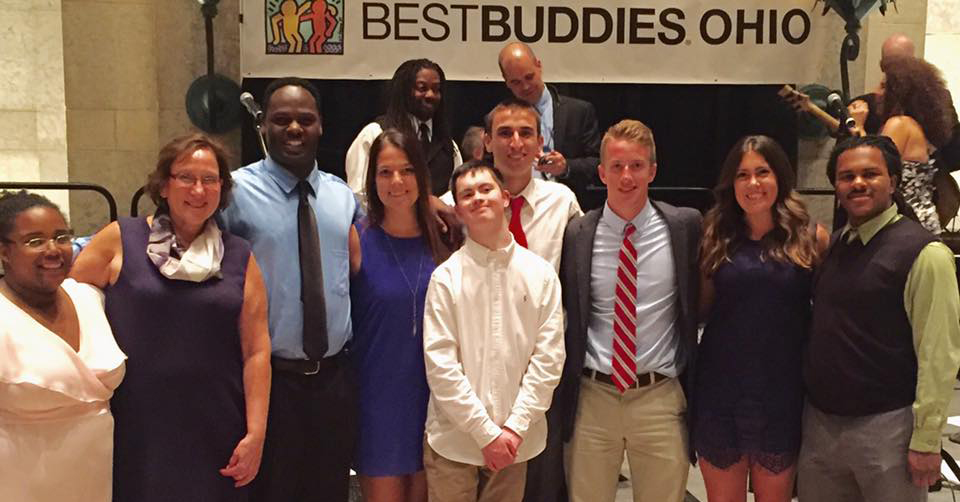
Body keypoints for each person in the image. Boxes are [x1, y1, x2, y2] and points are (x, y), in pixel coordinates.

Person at [69, 133, 271, 501]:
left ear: (222, 189)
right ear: (163, 185)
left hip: (216, 426)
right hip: (135, 425)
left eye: (210, 179)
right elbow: (68, 309)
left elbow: (256, 350)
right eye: (186, 177)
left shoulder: (240, 255)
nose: (198, 189)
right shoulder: (120, 239)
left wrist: (255, 434)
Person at [218, 77, 362, 502]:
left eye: (305, 119)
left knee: (330, 491)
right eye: (281, 120)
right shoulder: (234, 193)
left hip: (335, 379)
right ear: (263, 128)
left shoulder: (341, 196)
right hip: (269, 383)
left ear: (321, 127)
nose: (294, 128)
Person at [799, 135, 960, 502]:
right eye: (846, 176)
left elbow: (940, 355)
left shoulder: (925, 254)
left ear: (894, 181)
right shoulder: (838, 244)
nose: (858, 183)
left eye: (870, 174)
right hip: (822, 428)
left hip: (888, 430)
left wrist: (926, 440)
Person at [557, 119, 701, 502]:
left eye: (636, 165)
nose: (626, 176)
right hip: (593, 396)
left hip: (660, 397)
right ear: (601, 172)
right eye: (617, 166)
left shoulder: (684, 227)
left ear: (652, 170)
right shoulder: (577, 233)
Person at [694, 136, 829, 502]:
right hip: (720, 391)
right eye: (743, 175)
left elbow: (827, 317)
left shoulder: (810, 237)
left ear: (780, 176)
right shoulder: (714, 235)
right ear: (731, 183)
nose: (753, 184)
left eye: (762, 172)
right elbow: (702, 311)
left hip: (781, 392)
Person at [422, 159, 565, 502]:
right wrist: (486, 434)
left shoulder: (541, 274)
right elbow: (441, 368)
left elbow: (548, 361)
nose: (478, 198)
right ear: (457, 209)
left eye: (486, 189)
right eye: (467, 194)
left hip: (516, 441)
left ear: (503, 197)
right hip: (454, 442)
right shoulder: (446, 278)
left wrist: (512, 430)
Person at [0, 191, 126, 502]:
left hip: (96, 480)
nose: (53, 250)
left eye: (61, 237)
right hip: (20, 483)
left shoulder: (89, 297)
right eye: (34, 241)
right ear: (3, 251)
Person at [351, 129, 451, 502]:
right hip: (378, 402)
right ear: (372, 179)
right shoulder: (357, 240)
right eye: (385, 172)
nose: (396, 182)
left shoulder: (445, 239)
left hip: (435, 400)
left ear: (421, 176)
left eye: (407, 170)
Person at [498, 42, 602, 210]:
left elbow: (599, 164)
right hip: (515, 206)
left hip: (567, 205)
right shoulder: (498, 119)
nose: (525, 86)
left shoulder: (579, 111)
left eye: (529, 77)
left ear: (539, 66)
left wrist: (566, 167)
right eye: (516, 82)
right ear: (506, 82)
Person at [346, 59, 462, 201]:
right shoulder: (375, 134)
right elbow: (359, 195)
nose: (430, 95)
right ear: (404, 91)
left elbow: (457, 196)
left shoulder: (449, 147)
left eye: (436, 89)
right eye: (422, 88)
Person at [873, 55, 958, 235]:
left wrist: (857, 125)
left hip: (904, 225)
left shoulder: (900, 124)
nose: (877, 93)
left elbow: (873, 168)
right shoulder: (918, 127)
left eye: (883, 86)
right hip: (922, 222)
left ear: (899, 91)